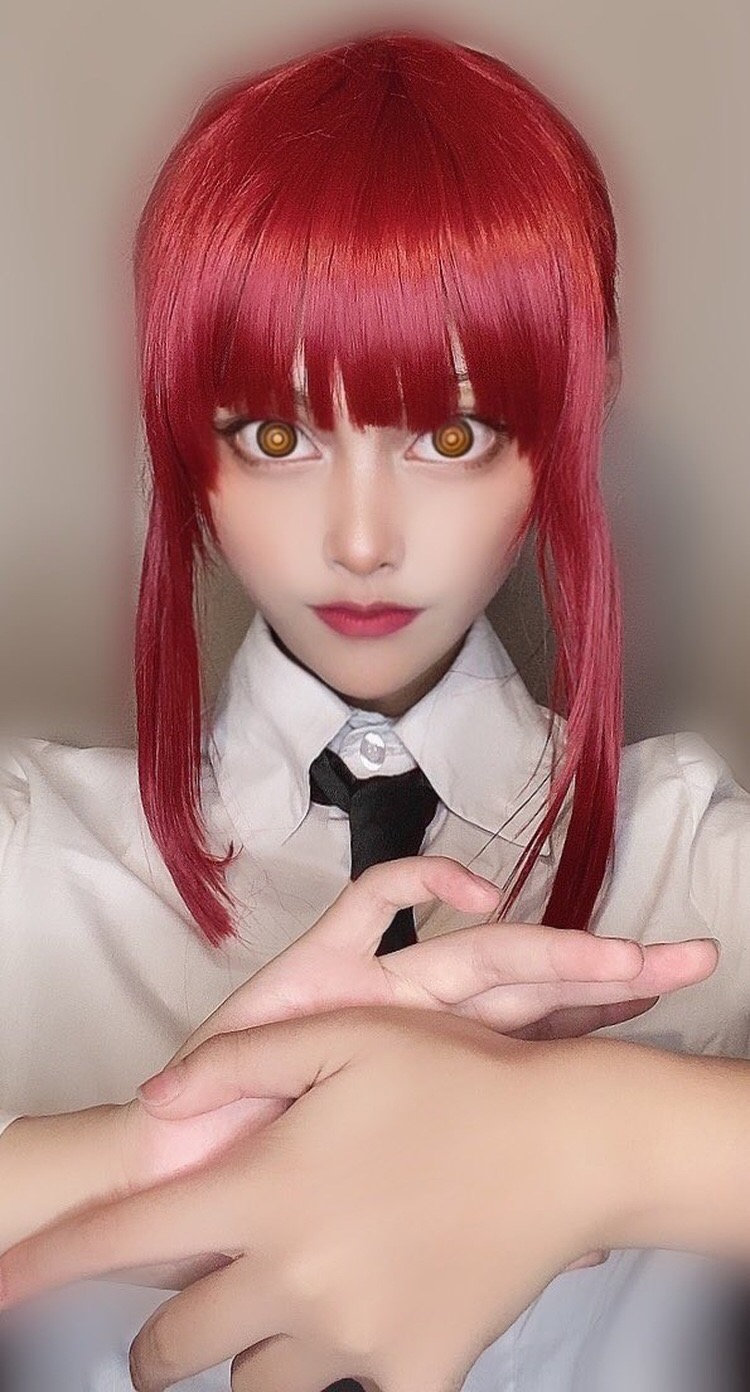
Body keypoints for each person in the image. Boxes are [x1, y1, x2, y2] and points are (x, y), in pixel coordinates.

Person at [1, 23, 749, 1392]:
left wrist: (593, 1135)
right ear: (186, 444)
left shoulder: (693, 856)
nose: (360, 540)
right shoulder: (27, 863)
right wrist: (123, 1158)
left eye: (451, 436)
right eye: (276, 435)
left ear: (560, 434)